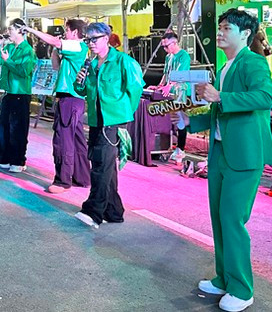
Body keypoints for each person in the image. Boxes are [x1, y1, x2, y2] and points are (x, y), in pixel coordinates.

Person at [189, 9, 272, 312]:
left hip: (245, 154)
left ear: (245, 34)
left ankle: (242, 288)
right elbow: (217, 109)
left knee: (232, 221)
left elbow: (265, 97)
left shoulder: (253, 62)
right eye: (220, 27)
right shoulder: (225, 67)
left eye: (227, 28)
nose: (221, 32)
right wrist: (189, 122)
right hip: (221, 152)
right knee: (219, 218)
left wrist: (220, 97)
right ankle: (224, 279)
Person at [73, 22, 144, 229]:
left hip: (114, 121)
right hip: (97, 119)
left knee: (101, 166)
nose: (90, 43)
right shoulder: (90, 64)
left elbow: (136, 89)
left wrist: (123, 115)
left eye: (94, 39)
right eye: (88, 40)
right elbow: (83, 91)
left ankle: (93, 211)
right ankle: (113, 211)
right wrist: (79, 82)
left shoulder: (123, 61)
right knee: (104, 165)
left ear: (106, 38)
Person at [24, 20, 91, 193]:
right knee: (76, 139)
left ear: (75, 32)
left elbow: (54, 41)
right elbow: (56, 66)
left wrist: (31, 30)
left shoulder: (77, 46)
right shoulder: (73, 51)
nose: (65, 33)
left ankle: (63, 181)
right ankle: (81, 176)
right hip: (70, 98)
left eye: (67, 30)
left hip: (70, 99)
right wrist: (56, 50)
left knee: (63, 140)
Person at [0, 19, 37, 173]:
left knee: (18, 129)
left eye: (11, 29)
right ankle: (3, 157)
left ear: (21, 31)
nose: (8, 32)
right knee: (3, 127)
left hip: (20, 94)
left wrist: (7, 61)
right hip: (8, 93)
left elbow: (23, 71)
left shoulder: (27, 50)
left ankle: (18, 160)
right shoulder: (9, 47)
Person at [153, 32, 192, 163]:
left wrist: (170, 85)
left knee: (180, 119)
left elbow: (180, 74)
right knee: (168, 119)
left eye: (166, 46)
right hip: (168, 92)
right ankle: (167, 147)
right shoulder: (168, 57)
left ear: (174, 43)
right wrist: (159, 86)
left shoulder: (183, 56)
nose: (165, 49)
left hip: (180, 91)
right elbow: (166, 74)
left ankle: (181, 149)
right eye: (163, 46)